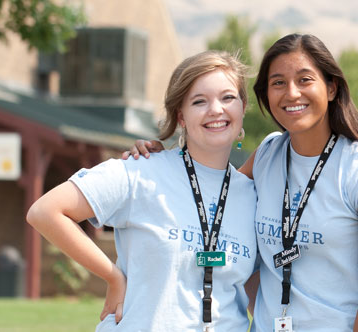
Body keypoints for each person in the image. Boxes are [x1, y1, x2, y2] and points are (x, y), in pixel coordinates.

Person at [125, 34, 358, 332]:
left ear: (332, 88)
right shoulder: (268, 155)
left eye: (305, 80)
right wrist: (159, 162)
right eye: (278, 83)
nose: (292, 93)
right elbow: (212, 196)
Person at [26, 50, 257, 331]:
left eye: (228, 97)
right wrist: (112, 277)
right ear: (180, 116)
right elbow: (45, 211)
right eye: (199, 101)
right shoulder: (142, 170)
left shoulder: (253, 195)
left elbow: (250, 287)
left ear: (243, 107)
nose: (216, 110)